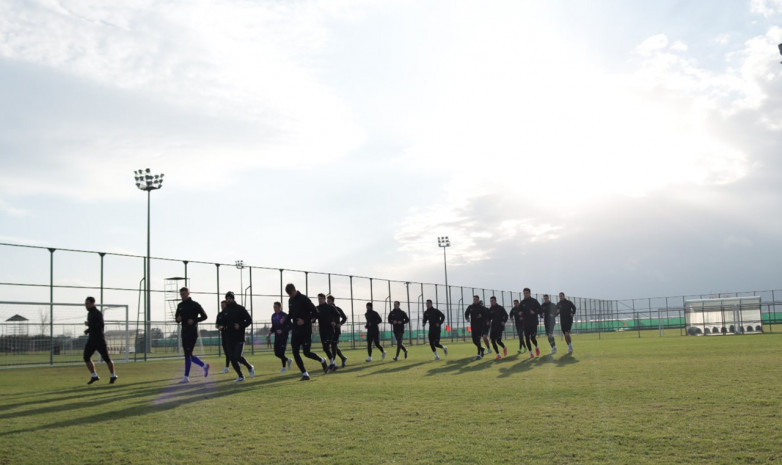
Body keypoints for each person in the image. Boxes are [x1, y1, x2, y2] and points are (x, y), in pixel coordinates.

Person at [286, 283, 329, 380]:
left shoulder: (304, 299)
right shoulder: (290, 300)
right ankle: (305, 374)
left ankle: (322, 360)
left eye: (291, 294)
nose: (290, 296)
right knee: (295, 352)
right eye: (289, 295)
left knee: (306, 353)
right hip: (296, 331)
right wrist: (285, 319)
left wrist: (304, 321)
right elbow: (291, 313)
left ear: (294, 291)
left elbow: (315, 312)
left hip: (305, 330)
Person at [174, 287, 209, 383]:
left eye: (184, 294)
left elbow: (205, 316)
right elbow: (176, 319)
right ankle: (204, 366)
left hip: (192, 332)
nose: (182, 296)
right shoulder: (180, 305)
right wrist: (178, 319)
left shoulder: (195, 305)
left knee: (188, 354)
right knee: (188, 354)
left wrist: (194, 320)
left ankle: (186, 376)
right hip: (184, 332)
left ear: (188, 293)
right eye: (181, 294)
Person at [83, 296, 117, 384]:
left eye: (87, 304)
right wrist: (88, 330)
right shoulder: (89, 313)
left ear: (92, 303)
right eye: (85, 304)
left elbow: (100, 326)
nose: (86, 306)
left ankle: (113, 375)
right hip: (92, 340)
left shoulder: (97, 313)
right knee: (86, 357)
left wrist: (89, 325)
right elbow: (93, 327)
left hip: (99, 340)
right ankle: (94, 375)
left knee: (106, 358)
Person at [223, 291, 254, 382]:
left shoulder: (240, 309)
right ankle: (240, 376)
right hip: (229, 337)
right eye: (227, 298)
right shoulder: (225, 311)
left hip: (239, 337)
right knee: (232, 358)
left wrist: (240, 326)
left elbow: (249, 320)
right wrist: (221, 326)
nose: (228, 300)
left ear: (233, 299)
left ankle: (249, 367)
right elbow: (223, 322)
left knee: (237, 356)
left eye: (230, 298)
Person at [315, 293, 340, 372]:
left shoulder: (330, 307)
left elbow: (337, 314)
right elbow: (314, 316)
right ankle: (333, 363)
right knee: (325, 348)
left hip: (329, 330)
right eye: (318, 299)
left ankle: (333, 363)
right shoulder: (317, 308)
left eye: (321, 298)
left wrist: (334, 321)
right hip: (322, 330)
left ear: (324, 299)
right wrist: (312, 320)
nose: (320, 300)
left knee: (328, 346)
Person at [270, 302, 293, 373]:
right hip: (277, 337)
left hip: (284, 337)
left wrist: (282, 330)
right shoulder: (273, 316)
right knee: (276, 353)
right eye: (273, 307)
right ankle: (288, 360)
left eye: (276, 307)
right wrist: (270, 332)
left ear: (280, 307)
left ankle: (283, 368)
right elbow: (274, 326)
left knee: (282, 353)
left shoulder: (285, 315)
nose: (274, 308)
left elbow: (291, 326)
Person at [464, 295, 490, 360]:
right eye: (474, 299)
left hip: (480, 326)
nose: (475, 300)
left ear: (478, 300)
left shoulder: (481, 307)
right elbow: (466, 313)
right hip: (473, 325)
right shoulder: (470, 307)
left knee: (478, 340)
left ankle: (478, 354)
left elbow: (487, 315)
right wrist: (467, 318)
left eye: (476, 299)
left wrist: (482, 316)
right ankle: (482, 348)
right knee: (474, 340)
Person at [519, 288, 542, 358]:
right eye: (524, 293)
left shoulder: (534, 301)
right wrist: (520, 314)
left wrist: (535, 312)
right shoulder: (522, 302)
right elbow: (520, 311)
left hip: (533, 323)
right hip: (525, 323)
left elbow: (540, 309)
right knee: (527, 338)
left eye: (526, 293)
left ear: (529, 293)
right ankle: (531, 353)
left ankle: (536, 347)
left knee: (532, 338)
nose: (525, 294)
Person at [327, 295, 348, 368]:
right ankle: (343, 358)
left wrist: (340, 323)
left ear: (333, 301)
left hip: (336, 331)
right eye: (327, 301)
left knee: (333, 345)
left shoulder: (338, 309)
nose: (328, 302)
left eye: (329, 301)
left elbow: (344, 318)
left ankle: (333, 363)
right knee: (333, 346)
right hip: (329, 331)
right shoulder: (326, 309)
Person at [215, 300, 232, 373]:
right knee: (226, 352)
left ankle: (237, 363)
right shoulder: (219, 314)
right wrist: (218, 327)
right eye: (221, 305)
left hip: (231, 335)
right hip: (224, 336)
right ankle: (227, 368)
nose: (222, 307)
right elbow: (216, 325)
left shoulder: (230, 313)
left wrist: (225, 327)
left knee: (231, 352)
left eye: (223, 305)